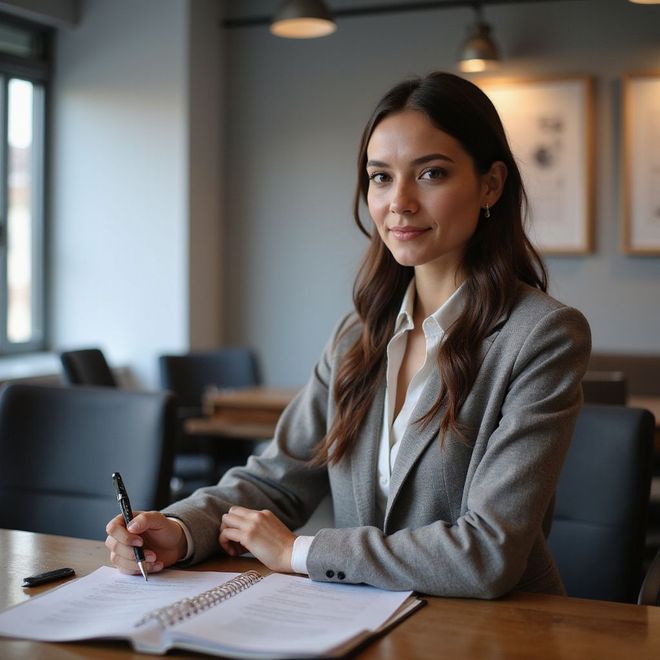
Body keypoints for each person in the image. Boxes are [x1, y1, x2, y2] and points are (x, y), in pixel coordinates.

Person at [106, 71, 591, 599]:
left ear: (490, 184)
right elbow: (276, 477)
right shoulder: (356, 336)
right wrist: (177, 531)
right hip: (357, 623)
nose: (398, 202)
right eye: (380, 177)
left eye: (430, 174)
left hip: (493, 632)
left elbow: (489, 553)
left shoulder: (542, 335)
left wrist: (300, 551)